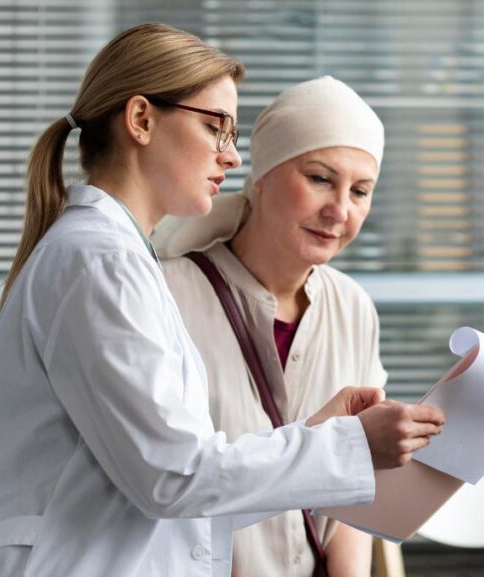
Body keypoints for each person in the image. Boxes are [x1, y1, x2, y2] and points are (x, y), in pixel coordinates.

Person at [0, 24, 444, 577]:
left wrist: (327, 439)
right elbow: (174, 477)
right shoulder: (102, 264)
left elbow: (180, 481)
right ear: (141, 120)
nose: (230, 158)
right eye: (214, 128)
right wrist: (347, 446)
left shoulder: (116, 259)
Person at [153, 76, 390, 577]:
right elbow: (168, 485)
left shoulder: (353, 308)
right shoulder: (167, 296)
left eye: (361, 191)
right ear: (261, 174)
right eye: (321, 179)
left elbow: (356, 483)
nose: (340, 211)